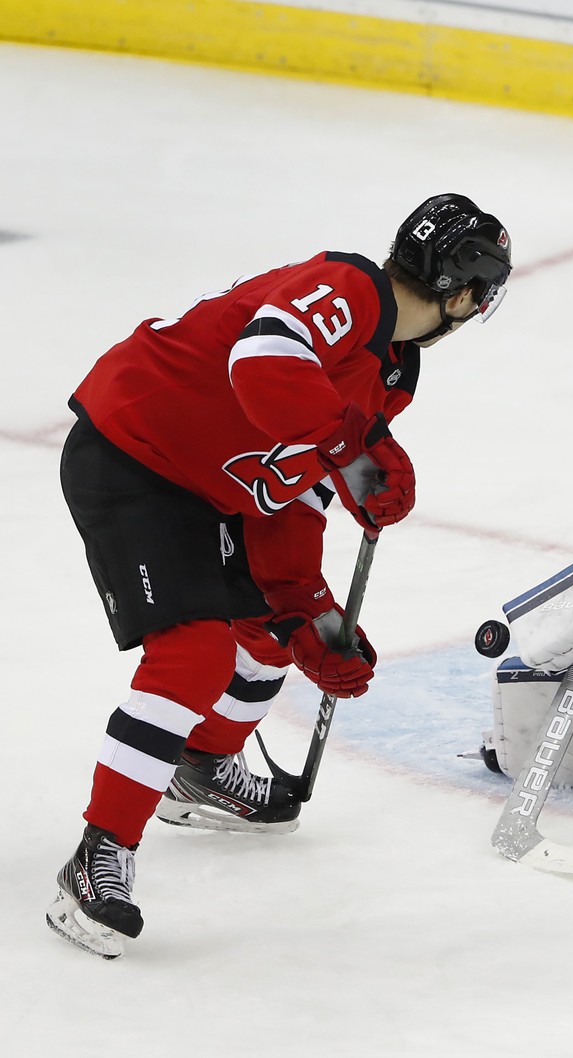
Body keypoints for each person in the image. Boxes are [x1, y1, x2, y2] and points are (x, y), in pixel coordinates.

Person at [46, 193, 512, 959]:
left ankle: (200, 768)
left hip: (217, 489)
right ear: (464, 293)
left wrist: (305, 607)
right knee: (192, 652)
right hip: (136, 451)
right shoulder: (348, 290)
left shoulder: (395, 370)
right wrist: (352, 444)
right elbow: (262, 363)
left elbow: (290, 491)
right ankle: (96, 858)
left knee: (269, 636)